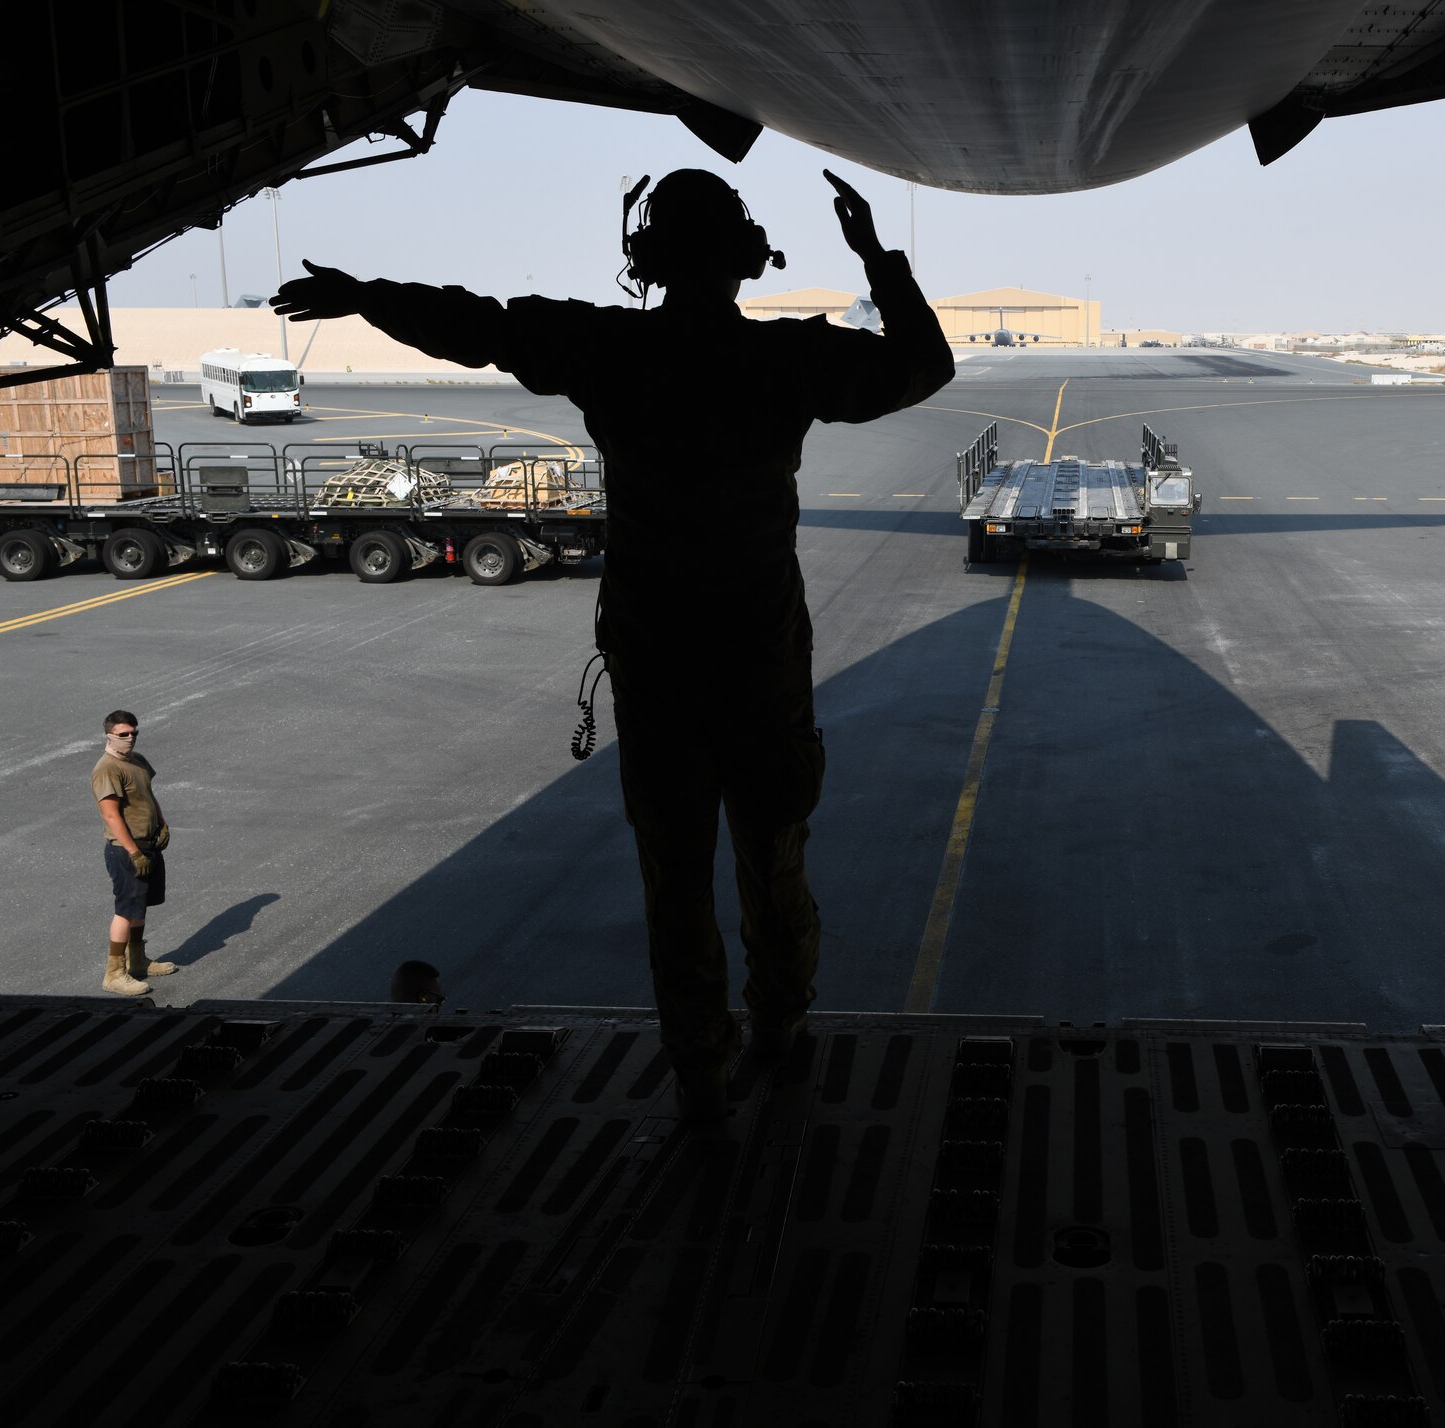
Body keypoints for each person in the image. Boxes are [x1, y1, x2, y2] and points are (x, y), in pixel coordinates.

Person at [270, 169, 953, 1126]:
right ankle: (779, 1030)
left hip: (659, 663)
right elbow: (923, 366)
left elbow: (481, 326)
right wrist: (874, 255)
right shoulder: (787, 361)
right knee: (776, 858)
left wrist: (360, 296)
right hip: (758, 665)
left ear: (646, 258)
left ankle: (700, 1076)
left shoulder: (609, 347)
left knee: (675, 881)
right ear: (747, 259)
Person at [91, 710, 176, 996]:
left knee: (140, 908)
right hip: (126, 850)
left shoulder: (136, 761)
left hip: (147, 845)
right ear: (109, 736)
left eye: (134, 733)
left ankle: (137, 961)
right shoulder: (107, 769)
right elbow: (111, 816)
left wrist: (161, 822)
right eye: (123, 734)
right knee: (126, 910)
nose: (130, 739)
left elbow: (149, 795)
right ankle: (114, 973)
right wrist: (133, 852)